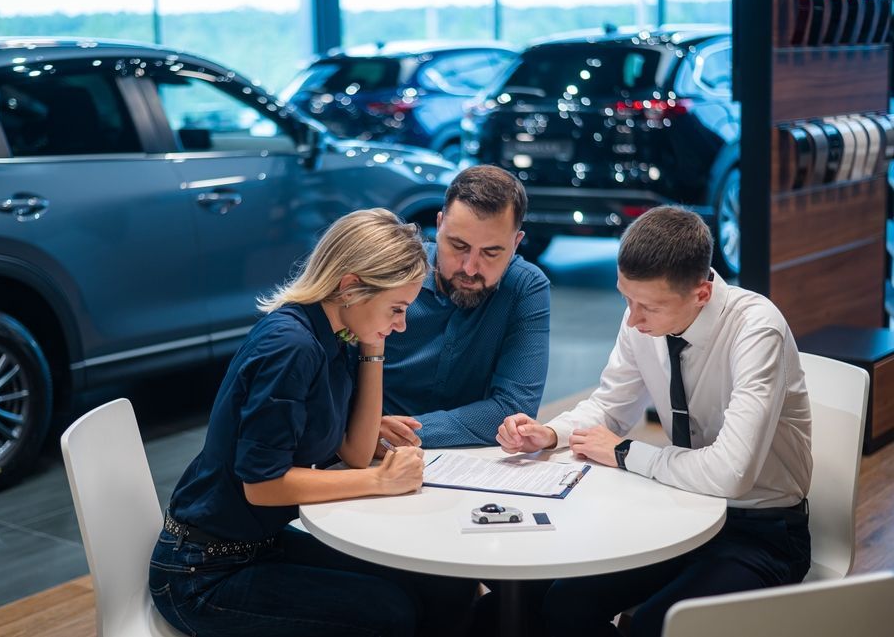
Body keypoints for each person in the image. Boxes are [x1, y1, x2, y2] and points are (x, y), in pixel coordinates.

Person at [149, 208, 476, 637]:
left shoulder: (333, 332)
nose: (399, 326)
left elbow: (356, 455)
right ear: (351, 287)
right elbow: (263, 484)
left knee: (442, 586)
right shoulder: (292, 347)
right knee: (388, 613)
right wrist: (382, 483)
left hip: (257, 545)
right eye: (396, 309)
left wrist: (371, 348)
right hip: (202, 572)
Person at [497, 206, 813, 637]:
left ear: (701, 294)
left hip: (762, 532)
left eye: (647, 306)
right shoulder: (643, 320)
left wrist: (626, 453)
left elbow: (732, 475)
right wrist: (552, 433)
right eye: (626, 298)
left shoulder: (756, 331)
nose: (631, 319)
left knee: (656, 625)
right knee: (565, 603)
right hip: (679, 513)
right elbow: (611, 406)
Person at [378, 164, 552, 451]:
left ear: (516, 243)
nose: (470, 268)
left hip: (463, 465)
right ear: (439, 224)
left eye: (491, 252)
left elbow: (513, 409)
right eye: (458, 246)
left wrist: (395, 435)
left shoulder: (525, 288)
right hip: (362, 457)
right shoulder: (392, 274)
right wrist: (362, 432)